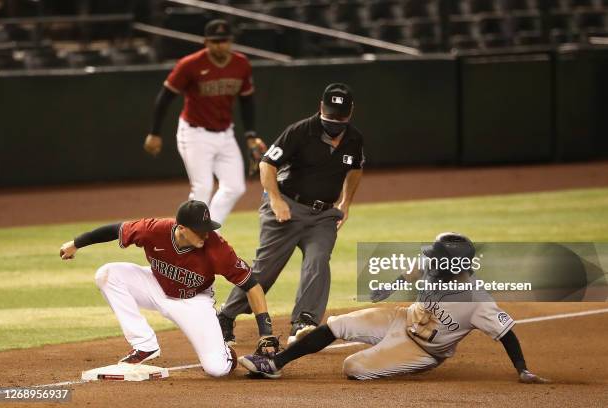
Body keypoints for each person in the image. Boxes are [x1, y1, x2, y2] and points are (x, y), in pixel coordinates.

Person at [237, 232, 550, 384]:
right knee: (337, 325)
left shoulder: (478, 301)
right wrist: (391, 285)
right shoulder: (436, 263)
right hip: (400, 318)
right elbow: (414, 270)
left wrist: (522, 369)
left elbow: (507, 333)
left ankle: (386, 356)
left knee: (353, 368)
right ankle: (275, 364)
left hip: (423, 351)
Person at [59, 200, 278, 377]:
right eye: (199, 230)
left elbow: (252, 285)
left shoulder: (217, 248)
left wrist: (265, 332)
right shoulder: (155, 230)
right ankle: (144, 344)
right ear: (181, 228)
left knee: (216, 369)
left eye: (207, 228)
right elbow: (115, 229)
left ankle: (225, 354)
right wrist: (75, 243)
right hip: (155, 285)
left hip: (193, 301)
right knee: (107, 274)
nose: (205, 234)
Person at [217, 83, 365, 345]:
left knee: (318, 261)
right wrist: (275, 200)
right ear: (321, 108)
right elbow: (266, 163)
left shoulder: (354, 139)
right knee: (265, 271)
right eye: (330, 116)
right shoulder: (300, 131)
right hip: (287, 206)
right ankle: (226, 316)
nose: (334, 122)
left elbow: (355, 169)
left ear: (351, 112)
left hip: (323, 216)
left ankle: (304, 322)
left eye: (340, 117)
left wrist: (346, 203)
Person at [144, 19, 267, 225]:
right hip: (194, 133)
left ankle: (209, 231)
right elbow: (165, 97)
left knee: (235, 187)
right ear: (206, 42)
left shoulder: (241, 64)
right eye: (216, 41)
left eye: (224, 41)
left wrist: (250, 135)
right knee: (202, 188)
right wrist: (154, 132)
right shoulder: (190, 64)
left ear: (231, 41)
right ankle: (188, 234)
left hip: (225, 133)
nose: (221, 45)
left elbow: (247, 101)